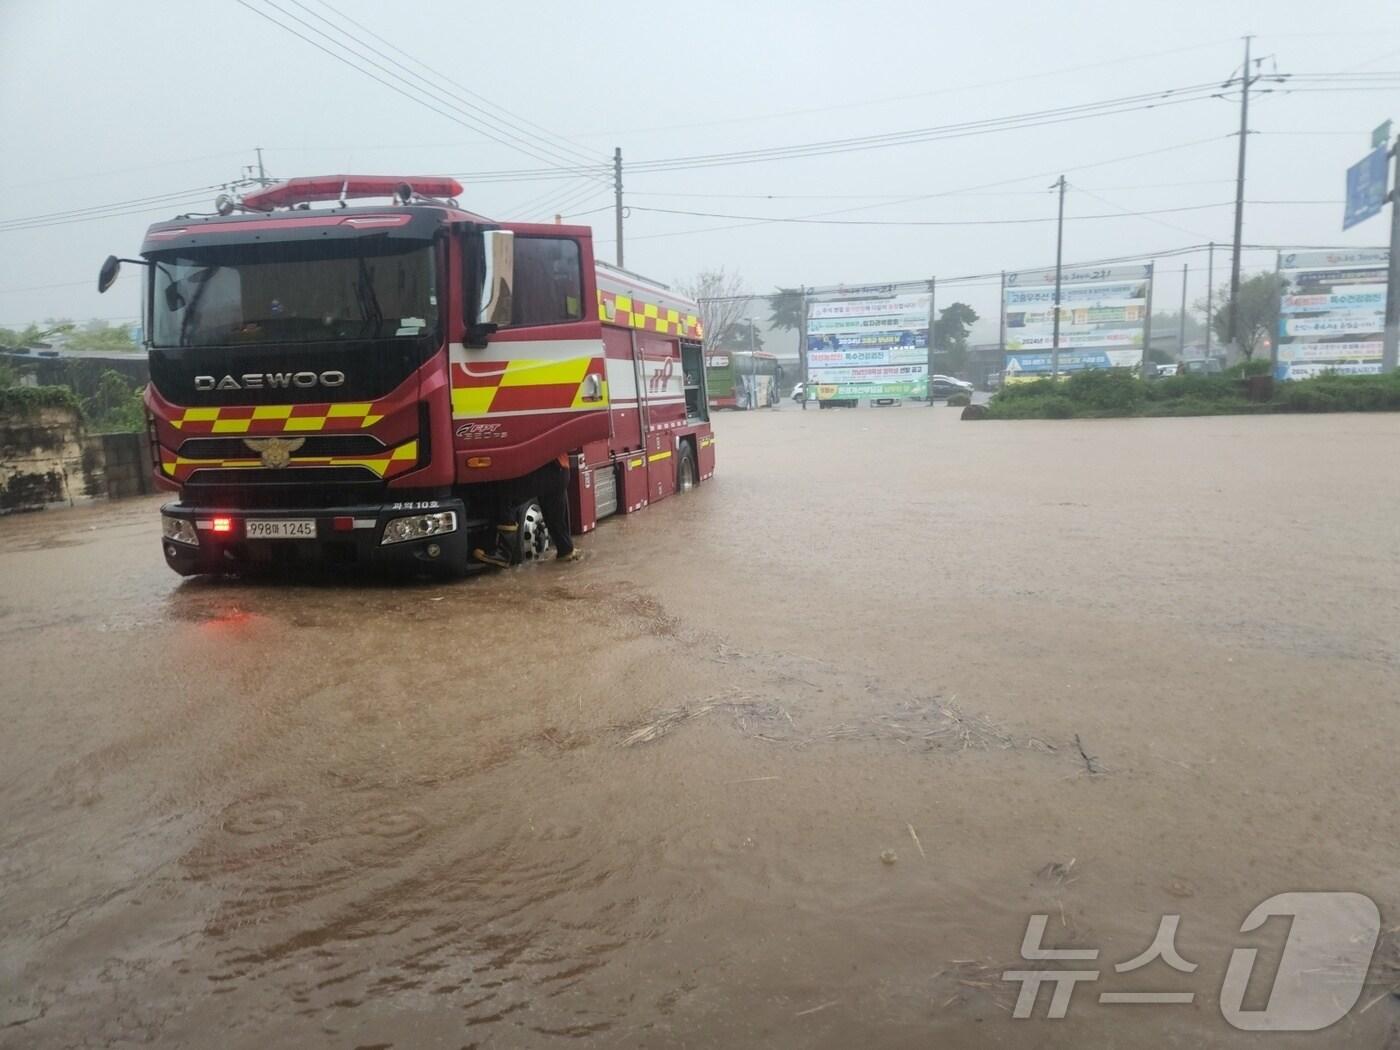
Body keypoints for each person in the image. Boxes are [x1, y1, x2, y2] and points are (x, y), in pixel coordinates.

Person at [472, 454, 581, 568]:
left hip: (547, 467)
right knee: (555, 519)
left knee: (504, 495)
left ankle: (503, 553)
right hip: (560, 470)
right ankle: (567, 554)